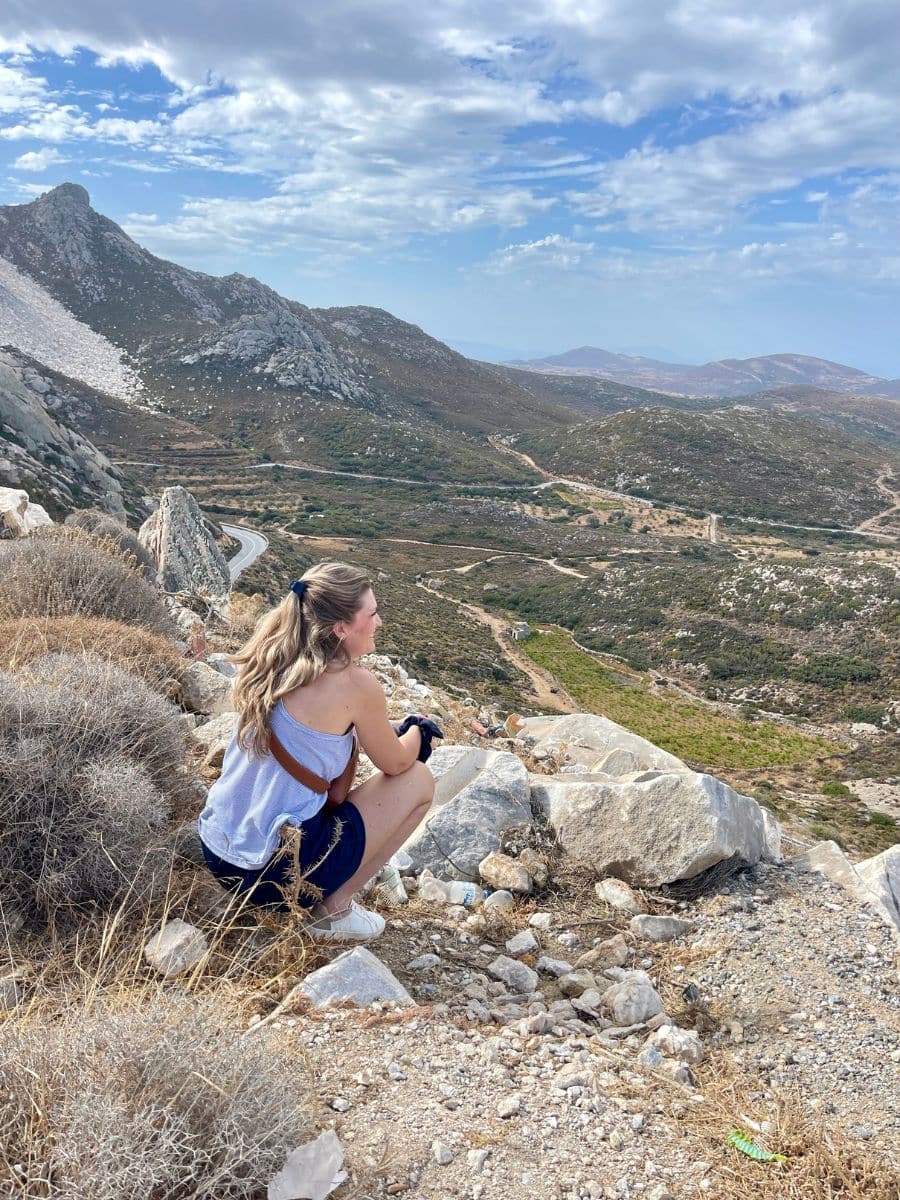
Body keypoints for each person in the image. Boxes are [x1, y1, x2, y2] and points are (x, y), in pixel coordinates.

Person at [197, 561, 439, 941]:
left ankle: (329, 900)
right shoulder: (355, 685)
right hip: (275, 873)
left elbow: (312, 733)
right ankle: (332, 912)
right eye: (372, 615)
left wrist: (389, 730)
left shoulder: (271, 660)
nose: (378, 623)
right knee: (419, 781)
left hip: (218, 852)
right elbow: (397, 762)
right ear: (341, 628)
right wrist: (418, 733)